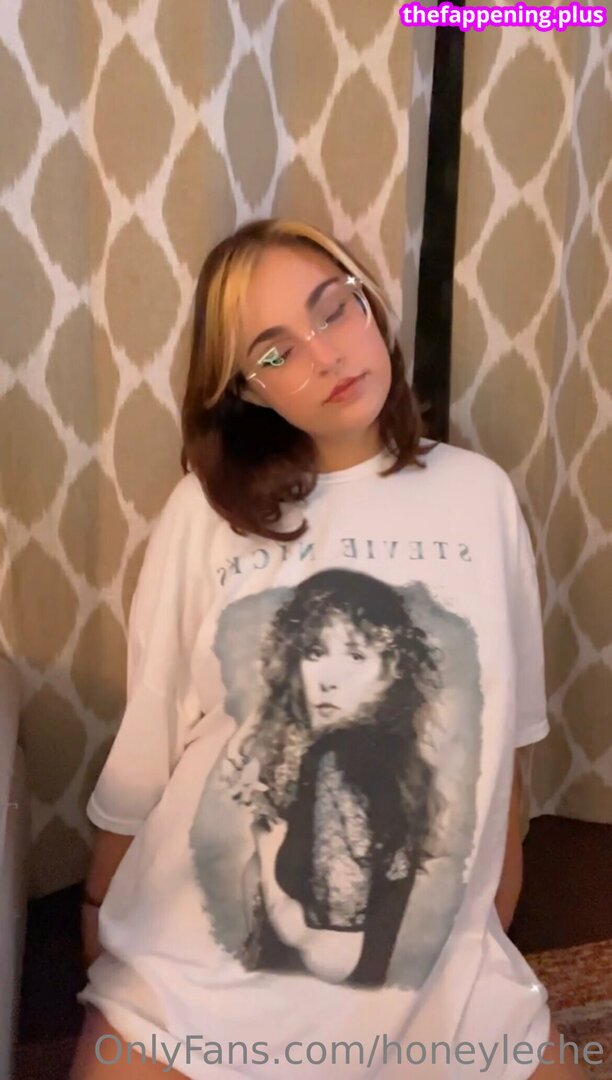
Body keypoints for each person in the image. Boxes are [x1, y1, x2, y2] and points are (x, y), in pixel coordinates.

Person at [71, 219, 587, 1078]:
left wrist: (490, 910)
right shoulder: (205, 513)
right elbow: (155, 728)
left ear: (368, 303)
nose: (326, 356)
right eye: (275, 353)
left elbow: (507, 729)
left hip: (428, 954)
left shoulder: (480, 495)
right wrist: (98, 904)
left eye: (332, 310)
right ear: (247, 390)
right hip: (203, 952)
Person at [218, 567, 442, 986]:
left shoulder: (339, 760)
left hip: (310, 1011)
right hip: (355, 1011)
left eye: (355, 656)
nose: (328, 680)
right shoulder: (392, 760)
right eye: (315, 652)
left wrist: (267, 857)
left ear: (392, 669)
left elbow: (333, 959)